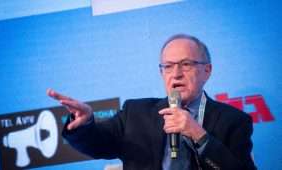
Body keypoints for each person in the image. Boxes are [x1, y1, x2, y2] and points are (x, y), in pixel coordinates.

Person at [47, 34, 256, 170]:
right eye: (168, 66)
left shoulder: (234, 121)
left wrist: (199, 135)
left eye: (186, 64)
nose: (176, 74)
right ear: (161, 72)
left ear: (207, 71)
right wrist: (85, 123)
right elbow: (99, 144)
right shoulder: (135, 113)